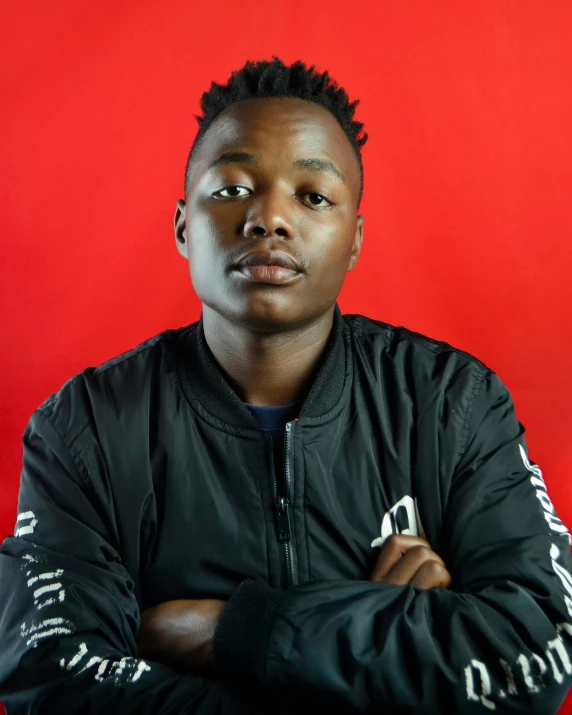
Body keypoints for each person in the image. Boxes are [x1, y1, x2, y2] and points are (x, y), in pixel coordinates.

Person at [0, 56, 571, 715]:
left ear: (353, 240)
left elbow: (538, 652)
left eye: (313, 196)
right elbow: (54, 681)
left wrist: (236, 631)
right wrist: (384, 647)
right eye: (231, 189)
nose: (269, 218)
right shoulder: (87, 428)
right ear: (184, 227)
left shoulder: (452, 404)